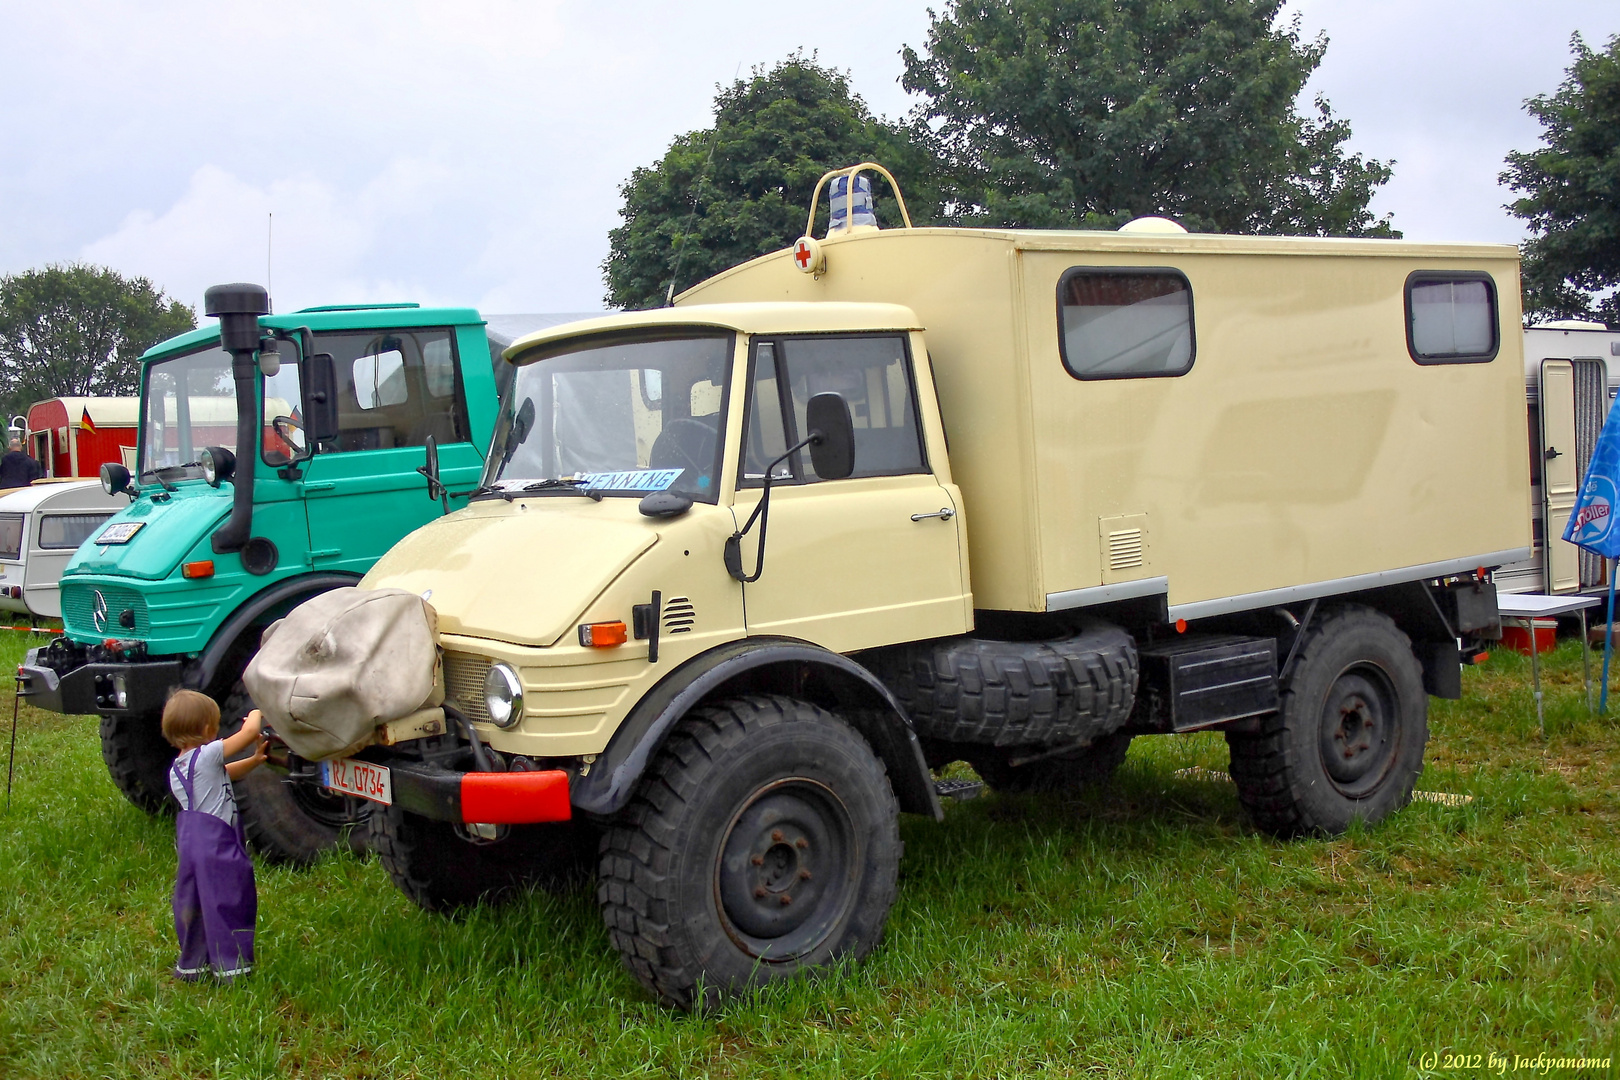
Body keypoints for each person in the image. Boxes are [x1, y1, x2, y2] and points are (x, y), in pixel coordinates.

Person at [162, 690, 267, 982]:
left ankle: (193, 964)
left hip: (190, 845)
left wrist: (255, 761)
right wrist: (257, 711)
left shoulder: (177, 769)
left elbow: (226, 773)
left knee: (195, 902)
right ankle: (232, 967)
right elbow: (250, 732)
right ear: (207, 729)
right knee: (228, 898)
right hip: (217, 843)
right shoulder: (207, 754)